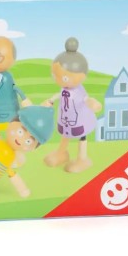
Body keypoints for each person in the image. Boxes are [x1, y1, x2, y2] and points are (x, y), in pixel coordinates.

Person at [42, 37, 102, 173]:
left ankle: (82, 159)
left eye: (63, 77)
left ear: (82, 75)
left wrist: (92, 103)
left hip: (79, 119)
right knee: (65, 134)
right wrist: (50, 100)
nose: (58, 80)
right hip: (65, 118)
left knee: (82, 137)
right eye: (55, 76)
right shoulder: (64, 88)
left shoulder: (79, 90)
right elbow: (60, 95)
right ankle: (61, 153)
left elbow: (86, 99)